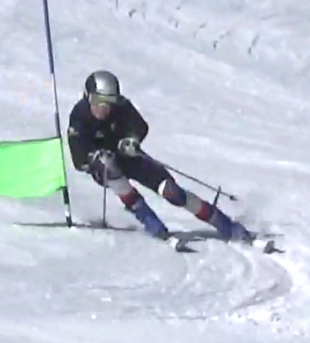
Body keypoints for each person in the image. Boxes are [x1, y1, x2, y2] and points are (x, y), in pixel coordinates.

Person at [66, 69, 253, 243]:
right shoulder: (79, 116)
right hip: (103, 166)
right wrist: (92, 159)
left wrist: (131, 140)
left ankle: (223, 224)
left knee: (171, 191)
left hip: (128, 157)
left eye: (110, 101)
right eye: (98, 100)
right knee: (109, 167)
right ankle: (149, 220)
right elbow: (78, 159)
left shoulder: (121, 108)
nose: (104, 107)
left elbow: (140, 126)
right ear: (88, 97)